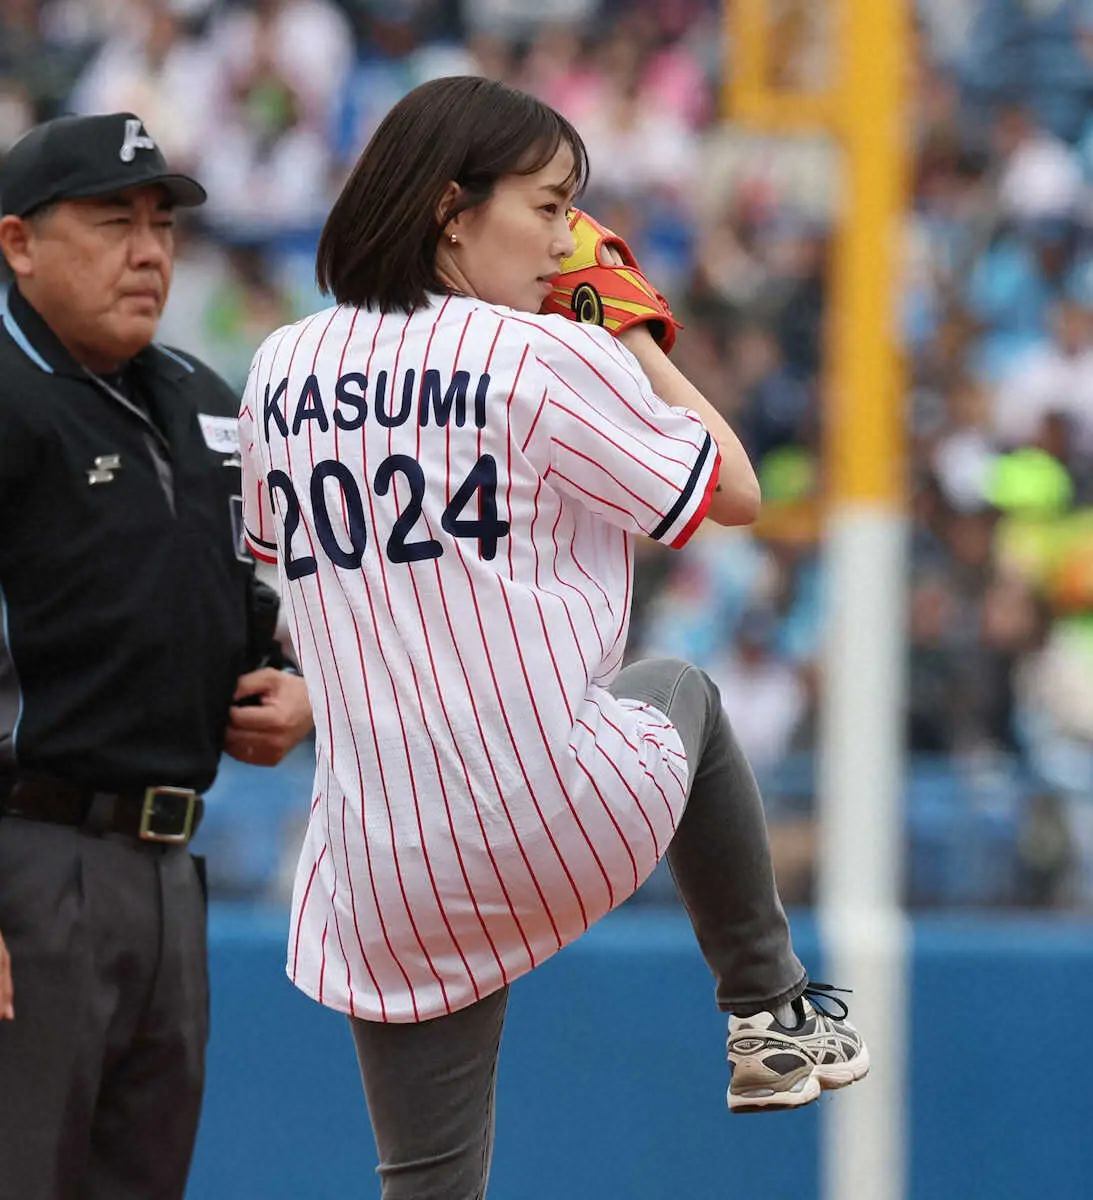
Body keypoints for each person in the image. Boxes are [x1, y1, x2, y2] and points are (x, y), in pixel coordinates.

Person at [239, 76, 868, 1199]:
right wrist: (626, 329)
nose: (568, 236)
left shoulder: (279, 368)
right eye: (546, 204)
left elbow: (316, 585)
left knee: (426, 1183)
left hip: (379, 867)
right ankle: (770, 1014)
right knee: (679, 683)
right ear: (450, 209)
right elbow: (732, 490)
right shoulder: (537, 353)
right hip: (555, 811)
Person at [0, 112, 313, 1200]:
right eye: (112, 222)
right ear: (18, 243)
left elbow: (258, 601)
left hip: (172, 871)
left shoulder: (203, 402)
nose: (149, 252)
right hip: (29, 859)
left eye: (162, 226)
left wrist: (305, 691)